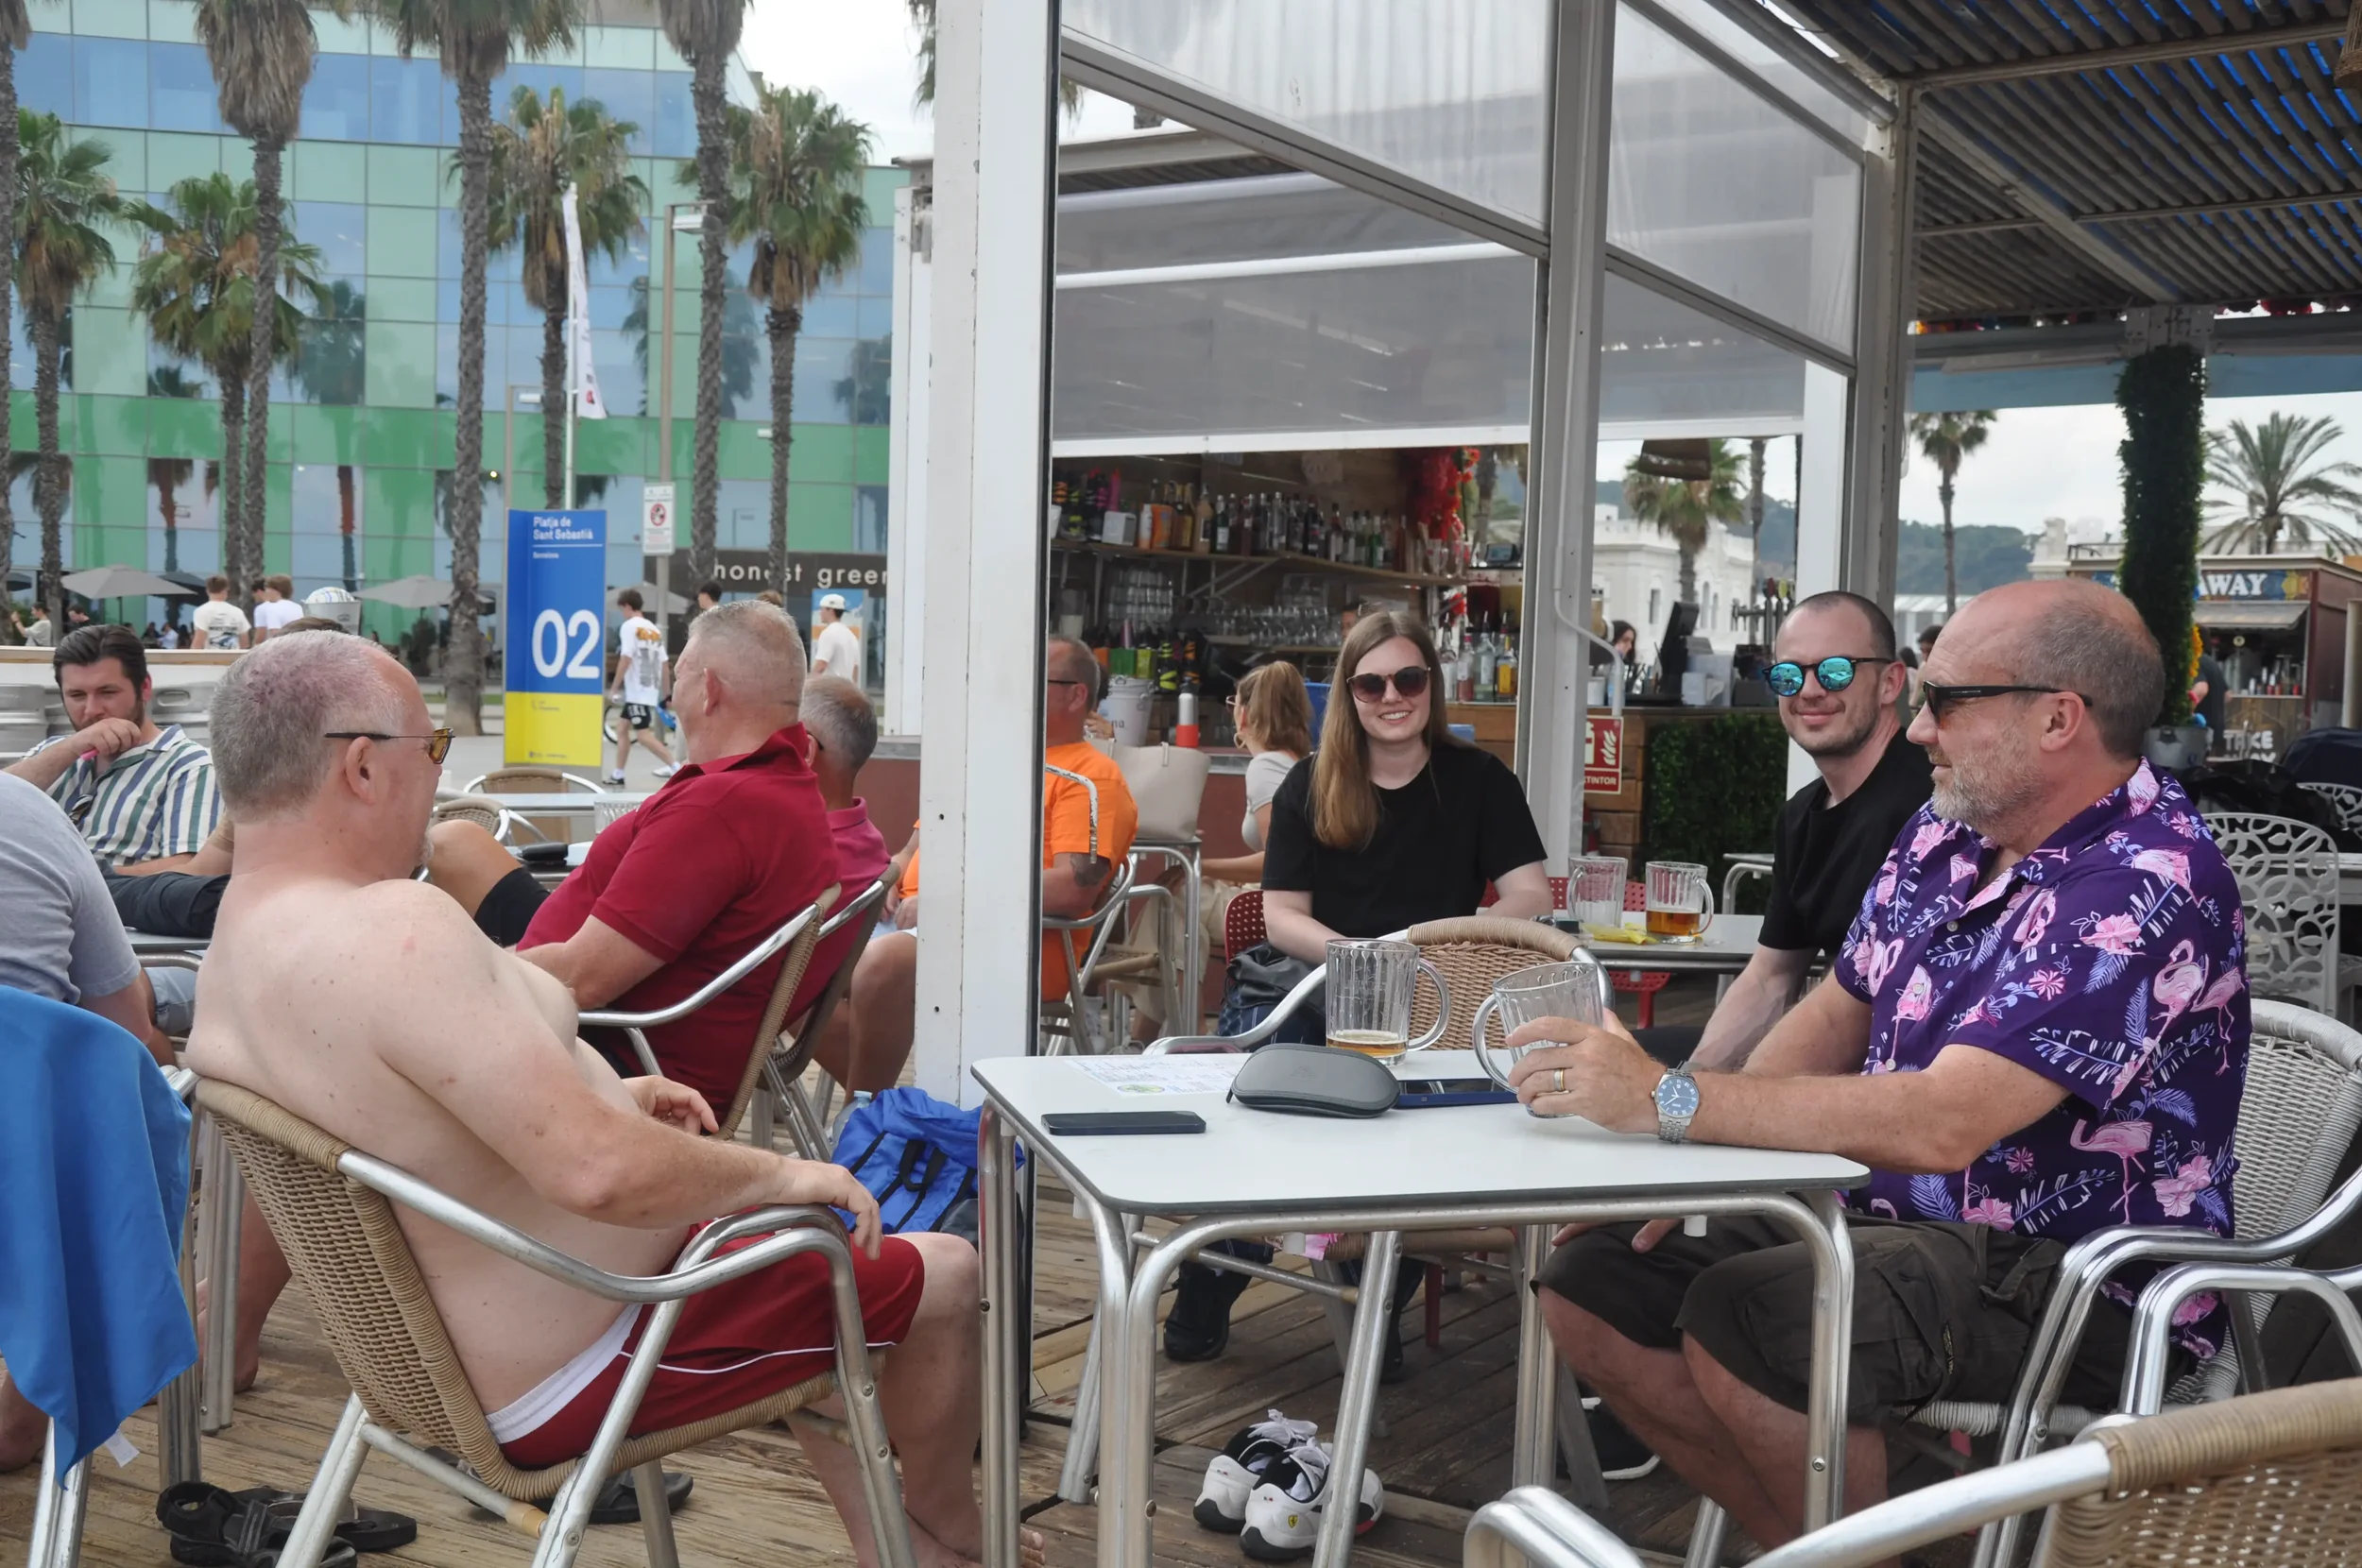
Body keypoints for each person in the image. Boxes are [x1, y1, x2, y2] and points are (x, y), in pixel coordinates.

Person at [180, 632, 1029, 1568]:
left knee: (814, 1283)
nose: (437, 776)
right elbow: (598, 1170)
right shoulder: (394, 927)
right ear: (361, 768)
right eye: (430, 750)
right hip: (595, 1352)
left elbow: (410, 1104)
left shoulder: (241, 940)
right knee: (940, 1270)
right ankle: (949, 1542)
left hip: (433, 1366)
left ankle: (895, 1537)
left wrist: (605, 1084)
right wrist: (788, 1171)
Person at [1514, 579, 2248, 1549]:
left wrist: (1670, 1096)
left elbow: (1945, 1122)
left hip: (2071, 1277)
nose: (1916, 732)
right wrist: (1692, 1153)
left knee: (1758, 1322)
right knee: (1593, 1280)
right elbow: (1834, 1007)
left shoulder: (2147, 878)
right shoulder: (1949, 831)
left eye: (1945, 700)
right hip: (1882, 1219)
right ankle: (1813, 1544)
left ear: (2057, 719)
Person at [1652, 592, 1932, 1072]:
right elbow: (1770, 978)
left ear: (1890, 683)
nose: (1809, 690)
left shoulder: (1928, 808)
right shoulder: (1801, 815)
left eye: (1835, 671)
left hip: (1895, 1092)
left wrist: (1703, 1104)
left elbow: (1861, 1003)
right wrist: (1690, 1082)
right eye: (1789, 674)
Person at [0, 774, 178, 1472]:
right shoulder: (24, 814)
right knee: (119, 1095)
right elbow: (126, 1028)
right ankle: (31, 1403)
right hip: (23, 1199)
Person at [882, 639, 1139, 1055]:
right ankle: (871, 1104)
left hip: (1015, 942)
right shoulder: (989, 762)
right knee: (799, 966)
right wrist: (889, 878)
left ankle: (868, 1104)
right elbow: (911, 850)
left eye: (1035, 680)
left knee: (879, 966)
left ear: (1077, 695)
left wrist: (948, 900)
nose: (1016, 690)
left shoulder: (1092, 777)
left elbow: (1074, 888)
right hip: (917, 920)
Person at [1260, 609, 1550, 965]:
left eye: (1409, 679)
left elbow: (1533, 895)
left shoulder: (1485, 779)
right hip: (1325, 982)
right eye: (1371, 684)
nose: (1392, 696)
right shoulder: (1305, 784)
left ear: (1432, 682)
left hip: (1445, 984)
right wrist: (1363, 961)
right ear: (1349, 693)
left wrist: (1455, 949)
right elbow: (1281, 917)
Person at [6, 624, 220, 872]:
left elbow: (191, 868)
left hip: (116, 904)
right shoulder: (54, 751)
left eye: (107, 692)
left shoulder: (190, 765)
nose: (91, 709)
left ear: (145, 688)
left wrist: (81, 882)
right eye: (76, 695)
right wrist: (71, 747)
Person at [795, 675, 904, 1092]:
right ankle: (871, 1107)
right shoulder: (865, 838)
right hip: (821, 992)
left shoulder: (808, 851)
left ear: (804, 749)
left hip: (784, 999)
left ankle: (871, 1106)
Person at [1202, 660, 1315, 888]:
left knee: (1174, 896)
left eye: (1233, 703)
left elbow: (1280, 860)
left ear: (1243, 714)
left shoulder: (1265, 767)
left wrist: (1198, 866)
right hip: (1306, 899)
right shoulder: (1298, 762)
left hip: (1285, 906)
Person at [606, 588, 677, 785]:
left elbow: (626, 658)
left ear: (628, 606)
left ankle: (675, 767)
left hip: (637, 691)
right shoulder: (654, 630)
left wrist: (614, 688)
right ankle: (618, 774)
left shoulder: (629, 627)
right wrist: (666, 693)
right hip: (649, 689)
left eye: (622, 610)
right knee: (621, 729)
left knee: (643, 735)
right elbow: (664, 664)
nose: (623, 614)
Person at [189, 575, 250, 651]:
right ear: (226, 590)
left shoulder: (201, 611)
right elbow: (244, 641)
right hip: (234, 659)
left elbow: (199, 640)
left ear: (207, 591)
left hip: (211, 659)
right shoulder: (237, 612)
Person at [813, 592, 863, 682]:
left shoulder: (828, 633)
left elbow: (821, 664)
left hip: (831, 689)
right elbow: (855, 668)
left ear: (830, 611)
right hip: (847, 689)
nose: (820, 613)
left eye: (822, 609)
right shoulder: (851, 635)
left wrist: (808, 683)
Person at [250, 574, 301, 641]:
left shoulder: (272, 609)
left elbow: (275, 635)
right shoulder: (297, 607)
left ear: (276, 590)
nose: (266, 591)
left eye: (268, 588)